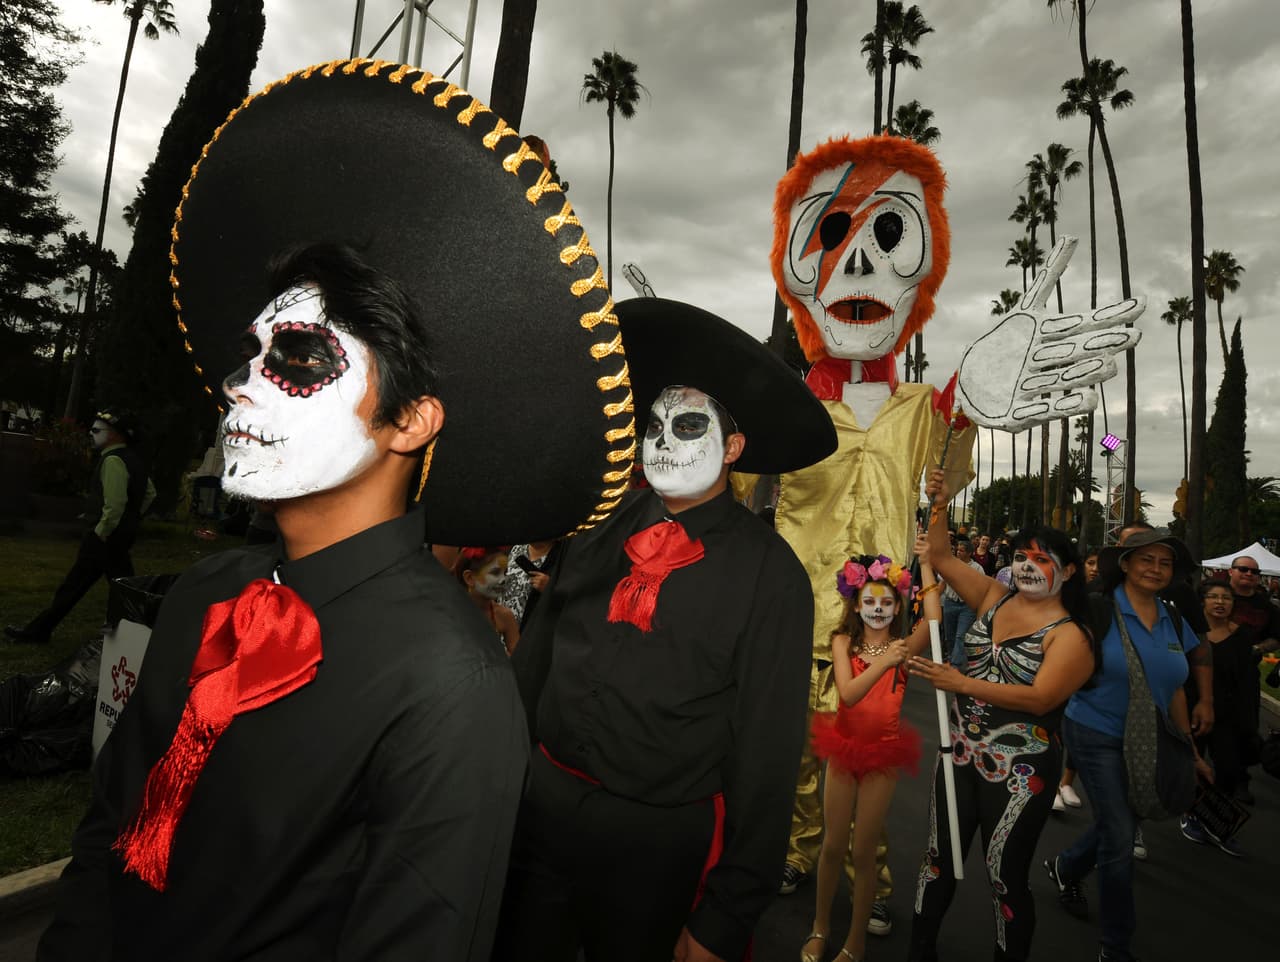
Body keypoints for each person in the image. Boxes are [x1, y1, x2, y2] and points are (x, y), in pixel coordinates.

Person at [38, 59, 636, 962]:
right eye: (250, 356)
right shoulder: (201, 597)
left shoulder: (450, 687)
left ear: (409, 421)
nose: (241, 388)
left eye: (300, 357)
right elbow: (108, 837)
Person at [497, 298, 837, 962]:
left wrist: (727, 913)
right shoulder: (597, 526)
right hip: (540, 818)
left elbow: (767, 754)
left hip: (655, 848)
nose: (661, 441)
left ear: (733, 447)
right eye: (654, 425)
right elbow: (536, 665)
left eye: (687, 425)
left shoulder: (771, 577)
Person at [906, 469, 1097, 962]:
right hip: (957, 756)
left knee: (1004, 876)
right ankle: (919, 951)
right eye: (1021, 556)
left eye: (1042, 559)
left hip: (1021, 772)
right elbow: (941, 557)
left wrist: (960, 683)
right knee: (937, 860)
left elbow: (1041, 698)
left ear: (1068, 571)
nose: (1028, 566)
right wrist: (940, 502)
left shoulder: (1070, 635)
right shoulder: (994, 596)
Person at [1043, 529, 1213, 962]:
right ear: (1125, 565)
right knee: (1120, 835)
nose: (1156, 569)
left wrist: (1190, 751)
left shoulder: (1173, 618)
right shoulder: (1097, 610)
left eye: (1165, 563)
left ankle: (1066, 866)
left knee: (1119, 820)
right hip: (1093, 731)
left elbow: (1175, 688)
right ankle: (1115, 946)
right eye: (1146, 559)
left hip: (1150, 740)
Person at [802, 539, 939, 962]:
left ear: (897, 608)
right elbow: (848, 693)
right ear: (856, 605)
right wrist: (885, 661)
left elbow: (934, 618)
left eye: (886, 602)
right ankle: (820, 927)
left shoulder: (904, 647)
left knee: (863, 852)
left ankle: (856, 940)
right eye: (869, 601)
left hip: (882, 757)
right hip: (844, 751)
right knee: (832, 846)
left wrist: (927, 564)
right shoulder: (843, 642)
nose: (878, 609)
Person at [6, 409, 155, 645]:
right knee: (124, 587)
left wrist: (101, 530)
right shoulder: (132, 459)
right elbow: (149, 493)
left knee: (75, 586)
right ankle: (139, 631)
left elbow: (114, 505)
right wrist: (131, 518)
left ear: (115, 435)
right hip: (120, 536)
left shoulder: (113, 460)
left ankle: (38, 632)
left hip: (104, 538)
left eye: (96, 430)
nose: (91, 434)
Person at [1182, 578, 1259, 820]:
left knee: (1227, 769)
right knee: (1189, 765)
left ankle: (1214, 818)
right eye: (1213, 597)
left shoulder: (1242, 637)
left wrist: (1248, 720)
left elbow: (1247, 681)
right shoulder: (1189, 633)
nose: (1220, 602)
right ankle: (1191, 812)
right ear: (1202, 602)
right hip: (1190, 710)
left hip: (1227, 714)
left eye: (1226, 598)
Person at [456, 547, 520, 655]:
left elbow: (519, 659)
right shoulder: (451, 613)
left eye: (505, 573)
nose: (503, 580)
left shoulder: (504, 615)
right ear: (469, 578)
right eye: (495, 573)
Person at [942, 535, 984, 668]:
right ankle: (950, 657)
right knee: (949, 635)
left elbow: (981, 588)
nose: (958, 552)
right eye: (957, 550)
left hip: (967, 607)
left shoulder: (977, 568)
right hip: (950, 603)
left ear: (969, 553)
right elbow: (942, 583)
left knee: (960, 636)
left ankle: (955, 665)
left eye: (962, 550)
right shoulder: (950, 564)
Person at [500, 540, 560, 627]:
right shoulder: (517, 548)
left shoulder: (561, 555)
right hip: (503, 627)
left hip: (534, 629)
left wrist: (550, 588)